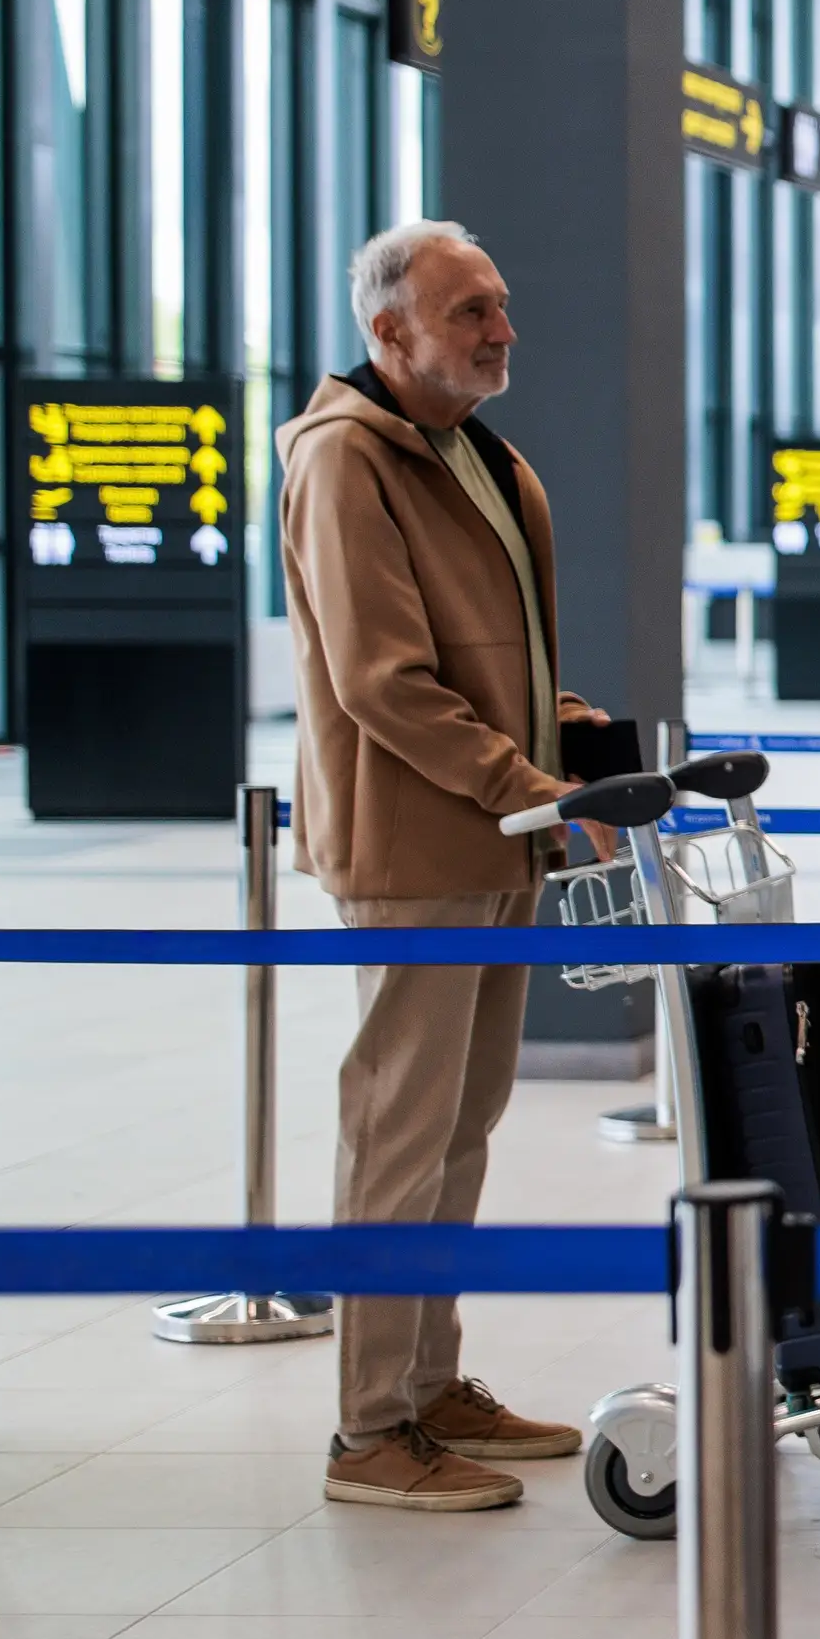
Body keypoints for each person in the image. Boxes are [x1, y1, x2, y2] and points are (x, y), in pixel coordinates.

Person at [278, 219, 600, 1512]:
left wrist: (568, 731)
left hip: (493, 836)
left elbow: (490, 655)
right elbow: (383, 684)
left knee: (462, 1122)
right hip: (420, 842)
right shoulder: (346, 461)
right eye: (469, 310)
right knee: (399, 1127)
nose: (500, 328)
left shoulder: (474, 451)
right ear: (389, 331)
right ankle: (369, 1429)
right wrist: (528, 787)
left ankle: (428, 1380)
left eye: (501, 304)